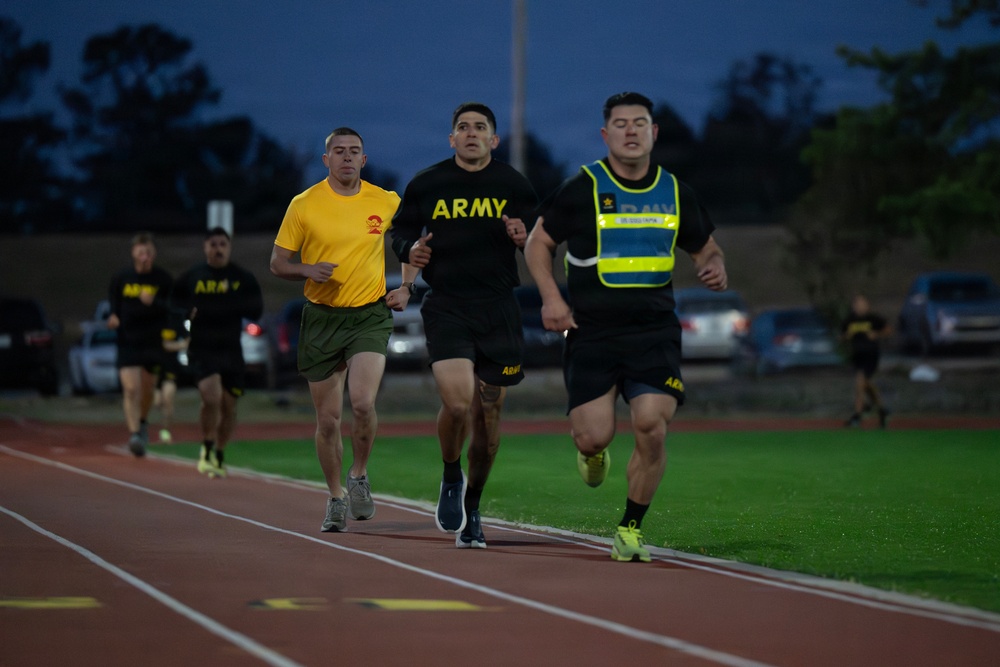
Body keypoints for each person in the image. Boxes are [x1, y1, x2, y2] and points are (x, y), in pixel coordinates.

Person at [525, 92, 728, 563]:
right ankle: (593, 452)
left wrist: (715, 265)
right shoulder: (582, 187)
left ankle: (630, 528)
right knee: (593, 436)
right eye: (621, 124)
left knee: (651, 426)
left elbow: (706, 247)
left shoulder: (676, 192)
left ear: (654, 133)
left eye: (640, 123)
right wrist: (552, 299)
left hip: (653, 332)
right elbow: (539, 243)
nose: (631, 131)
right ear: (606, 134)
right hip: (591, 333)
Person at [390, 102, 537, 549]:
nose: (470, 133)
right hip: (448, 306)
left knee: (488, 421)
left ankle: (473, 507)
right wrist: (408, 251)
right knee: (457, 404)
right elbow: (398, 233)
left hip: (498, 309)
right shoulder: (428, 183)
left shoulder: (512, 184)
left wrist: (524, 237)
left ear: (494, 139)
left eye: (480, 128)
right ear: (451, 139)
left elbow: (541, 237)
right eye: (462, 127)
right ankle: (451, 474)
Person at [270, 127, 407, 533]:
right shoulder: (304, 204)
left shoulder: (386, 201)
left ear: (364, 160)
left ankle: (359, 474)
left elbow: (412, 242)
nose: (347, 157)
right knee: (328, 420)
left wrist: (408, 284)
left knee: (363, 403)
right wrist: (306, 270)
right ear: (326, 159)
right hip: (322, 318)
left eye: (355, 152)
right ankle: (335, 496)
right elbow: (277, 262)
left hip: (369, 314)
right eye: (339, 151)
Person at [171, 227, 264, 478]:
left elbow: (256, 308)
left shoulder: (240, 277)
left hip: (231, 350)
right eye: (213, 244)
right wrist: (183, 315)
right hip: (202, 348)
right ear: (205, 248)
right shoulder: (193, 277)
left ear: (229, 247)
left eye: (222, 243)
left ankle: (219, 451)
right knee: (211, 397)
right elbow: (172, 302)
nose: (218, 248)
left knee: (229, 407)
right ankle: (207, 445)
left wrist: (231, 301)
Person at [107, 232, 173, 457]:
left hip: (152, 342)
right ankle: (135, 434)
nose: (144, 256)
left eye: (148, 252)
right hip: (127, 341)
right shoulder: (121, 278)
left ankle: (143, 421)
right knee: (131, 388)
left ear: (153, 254)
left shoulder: (163, 279)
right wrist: (113, 317)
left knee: (147, 390)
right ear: (134, 253)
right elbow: (113, 306)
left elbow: (172, 307)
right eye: (140, 251)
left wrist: (154, 302)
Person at [841, 294, 891, 428]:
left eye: (863, 303)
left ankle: (857, 416)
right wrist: (847, 336)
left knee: (860, 383)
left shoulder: (873, 319)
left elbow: (887, 330)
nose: (861, 306)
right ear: (854, 306)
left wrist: (877, 334)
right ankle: (881, 409)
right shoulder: (849, 320)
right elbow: (842, 337)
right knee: (865, 384)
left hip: (871, 355)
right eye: (858, 304)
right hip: (858, 356)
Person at [155, 305, 191, 444]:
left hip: (170, 367)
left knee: (168, 400)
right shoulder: (154, 321)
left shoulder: (176, 320)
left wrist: (174, 346)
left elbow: (186, 342)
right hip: (155, 367)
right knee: (158, 402)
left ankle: (165, 432)